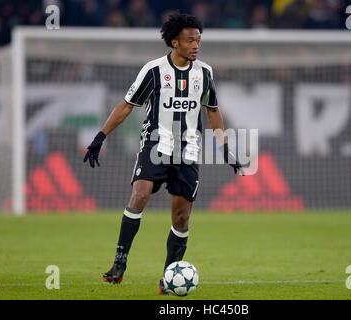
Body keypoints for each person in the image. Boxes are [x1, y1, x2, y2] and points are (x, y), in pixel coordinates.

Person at [83, 12, 244, 294]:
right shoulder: (154, 70)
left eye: (198, 40)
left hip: (188, 152)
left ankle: (168, 277)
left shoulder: (204, 73)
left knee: (181, 217)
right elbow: (126, 105)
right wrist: (101, 135)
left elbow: (213, 110)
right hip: (156, 146)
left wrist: (224, 146)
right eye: (190, 40)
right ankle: (120, 261)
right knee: (140, 193)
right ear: (174, 42)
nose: (196, 45)